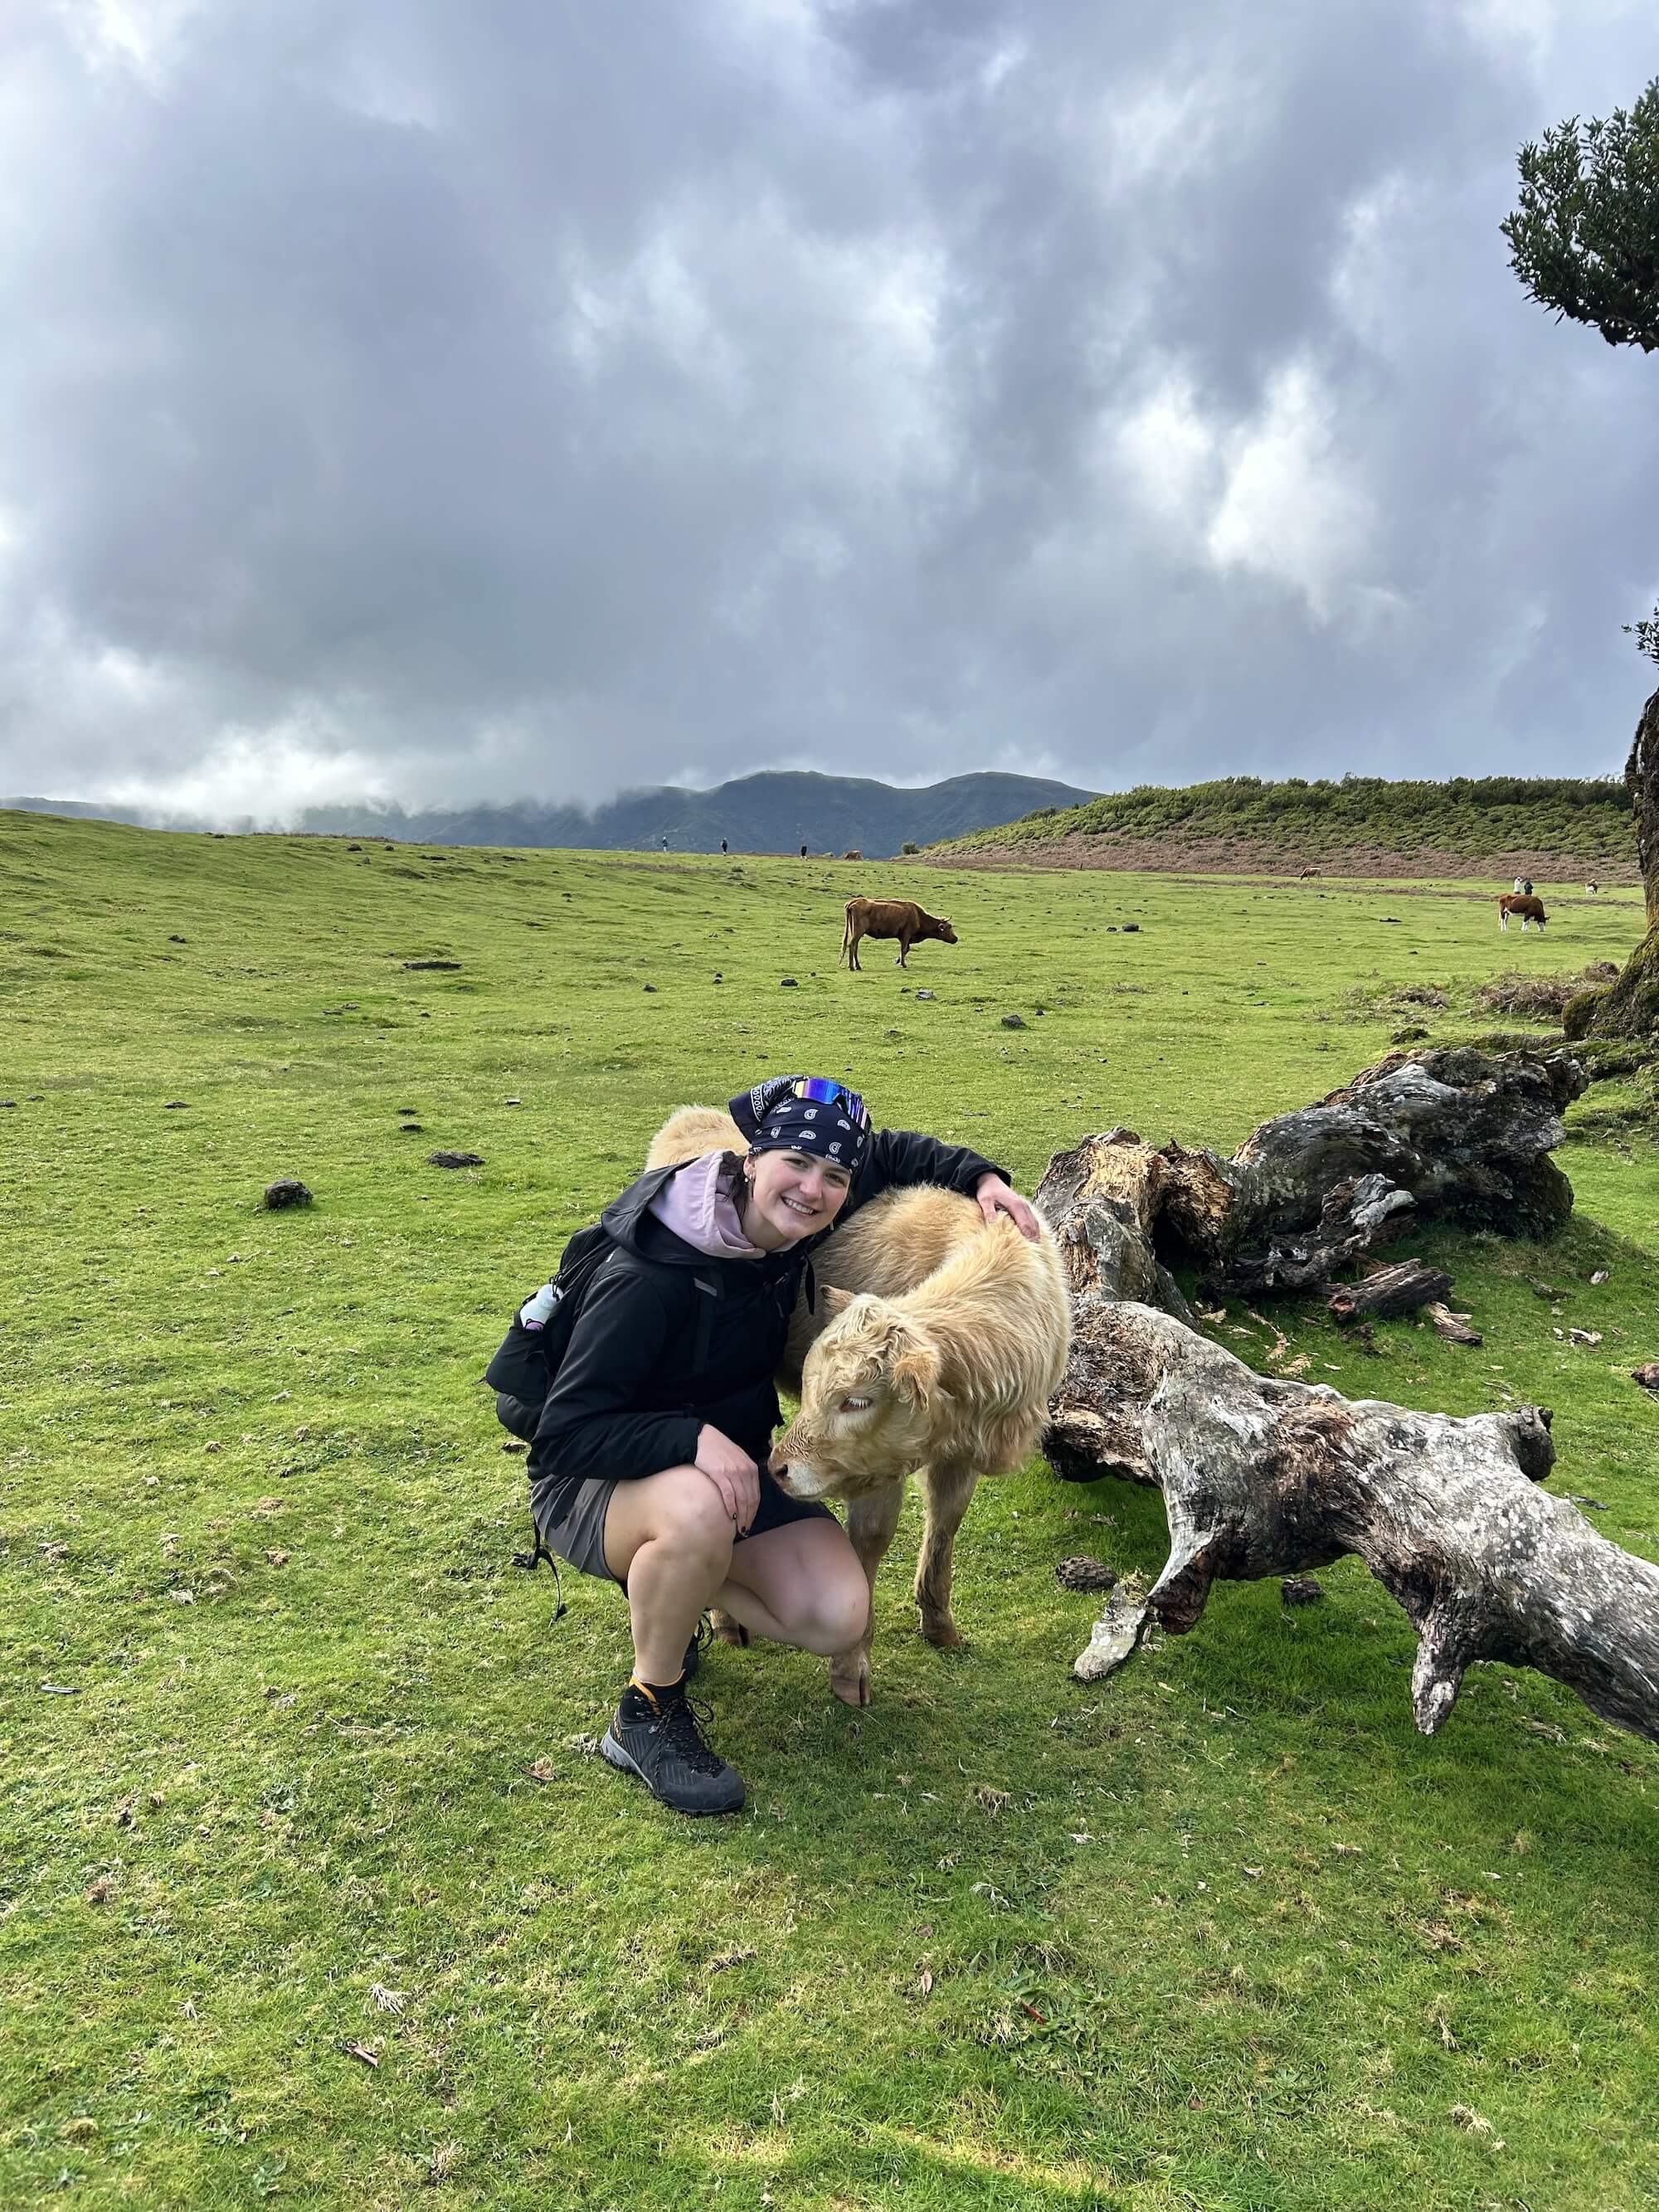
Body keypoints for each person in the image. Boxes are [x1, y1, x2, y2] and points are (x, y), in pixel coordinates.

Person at [523, 1074, 1039, 1816]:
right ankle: (649, 1708)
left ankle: (676, 1585)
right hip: (595, 1478)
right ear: (750, 1157)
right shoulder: (649, 1269)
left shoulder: (794, 1235)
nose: (812, 1188)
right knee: (696, 1513)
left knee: (839, 1613)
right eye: (796, 1163)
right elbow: (564, 1432)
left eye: (834, 1176)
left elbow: (892, 1151)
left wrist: (982, 1178)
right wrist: (694, 1438)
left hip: (722, 1469)